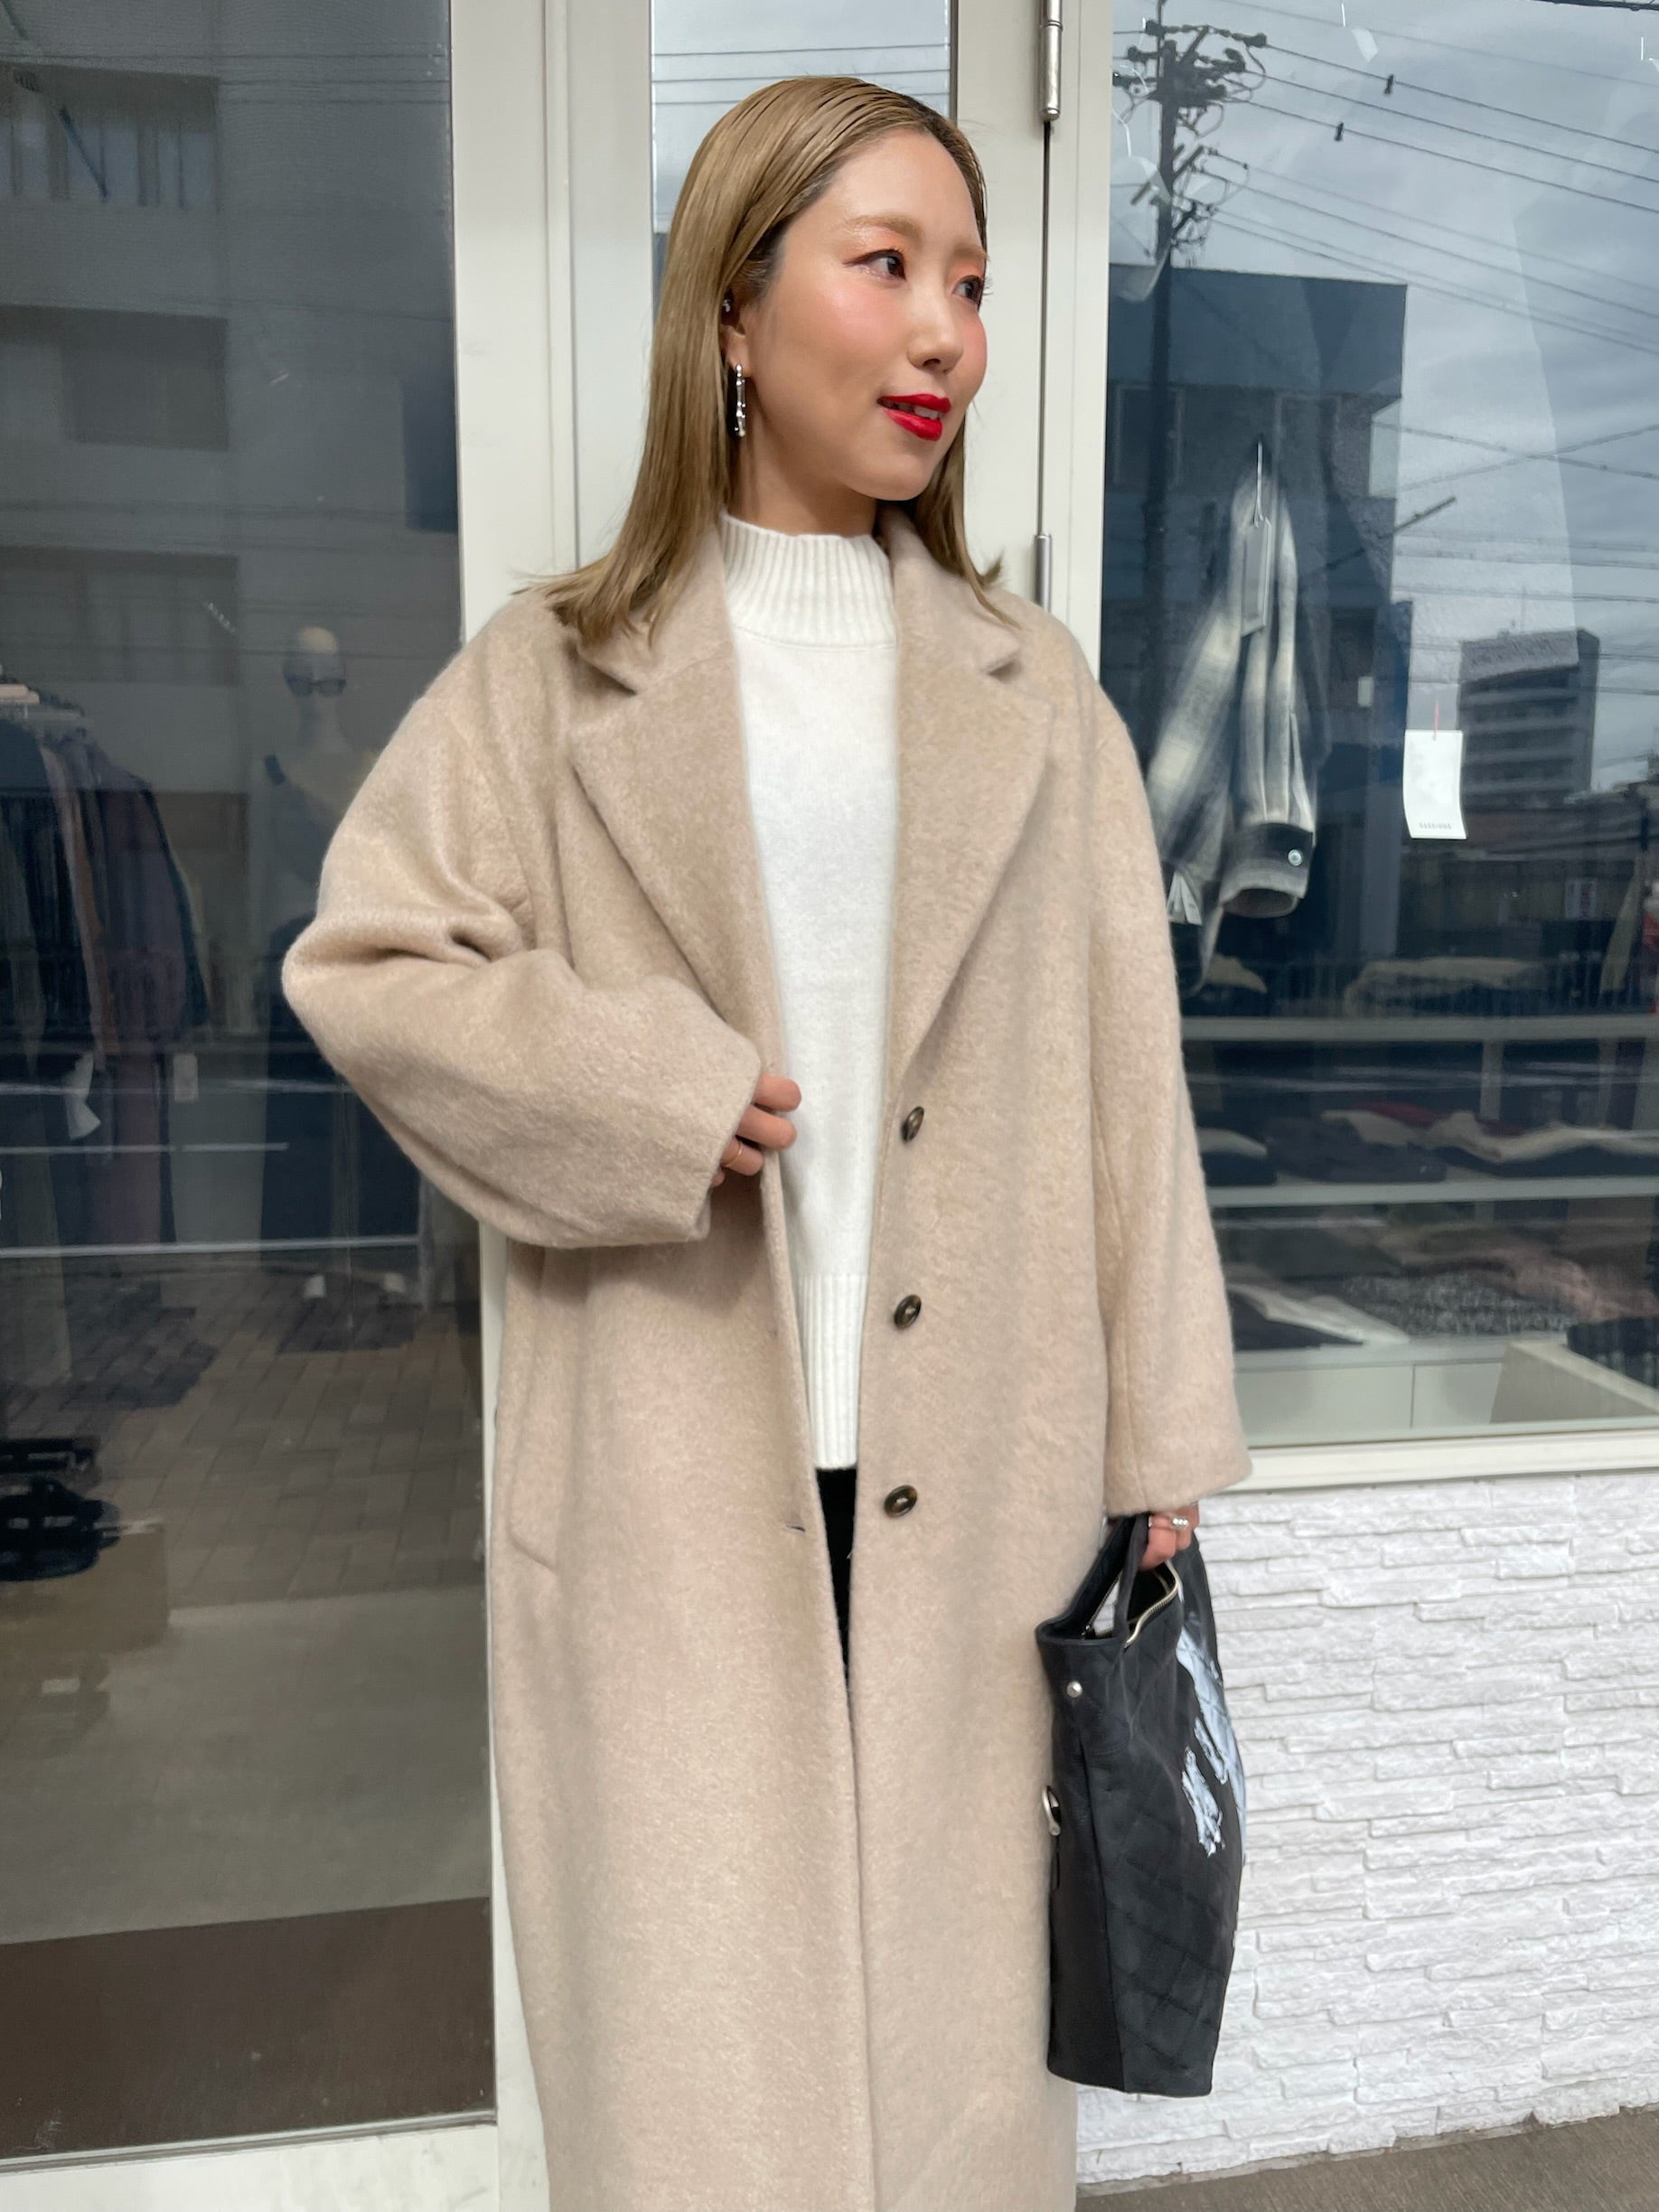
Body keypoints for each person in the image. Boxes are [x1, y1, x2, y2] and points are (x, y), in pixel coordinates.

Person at [283, 73, 1251, 2212]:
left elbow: (1130, 1081)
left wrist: (1161, 1437)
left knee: (954, 2064)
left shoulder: (1037, 693)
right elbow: (373, 967)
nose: (944, 335)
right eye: (883, 266)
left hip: (983, 1474)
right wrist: (648, 1090)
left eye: (970, 283)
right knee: (706, 2069)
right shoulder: (554, 678)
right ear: (732, 308)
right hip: (671, 1474)